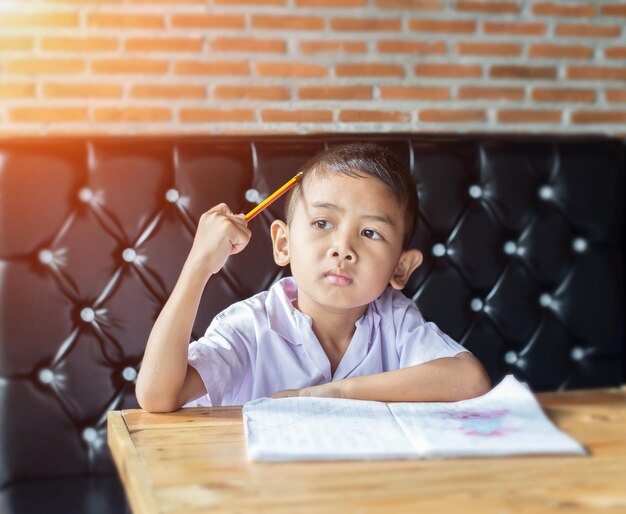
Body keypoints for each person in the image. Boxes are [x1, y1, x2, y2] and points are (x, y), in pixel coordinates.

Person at [135, 143, 491, 412]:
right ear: (283, 243)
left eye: (370, 233)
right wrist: (198, 266)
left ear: (400, 268)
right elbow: (156, 395)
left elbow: (470, 379)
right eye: (323, 224)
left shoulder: (395, 320)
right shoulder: (251, 326)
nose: (343, 248)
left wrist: (334, 394)